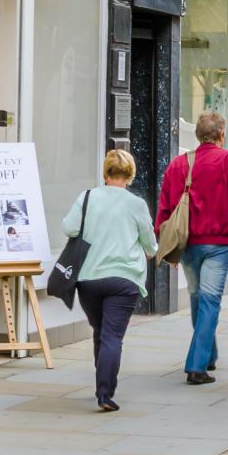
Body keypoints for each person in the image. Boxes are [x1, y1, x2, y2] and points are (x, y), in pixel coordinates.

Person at [157, 112, 228, 385]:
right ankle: (197, 365)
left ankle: (209, 354)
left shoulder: (178, 165)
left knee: (197, 297)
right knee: (210, 300)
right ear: (221, 134)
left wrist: (165, 243)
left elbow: (165, 206)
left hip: (188, 243)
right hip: (218, 242)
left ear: (197, 135)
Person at [63, 148, 157, 412]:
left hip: (89, 278)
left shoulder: (88, 197)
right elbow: (149, 243)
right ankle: (105, 393)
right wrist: (151, 252)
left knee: (101, 331)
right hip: (123, 279)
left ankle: (101, 383)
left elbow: (69, 228)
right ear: (130, 174)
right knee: (112, 336)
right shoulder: (136, 204)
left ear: (105, 172)